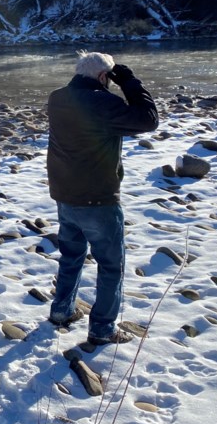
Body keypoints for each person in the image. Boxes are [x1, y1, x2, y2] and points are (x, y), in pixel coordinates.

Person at [45, 50, 159, 345]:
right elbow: (148, 120)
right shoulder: (103, 102)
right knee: (110, 265)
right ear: (102, 77)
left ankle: (61, 311)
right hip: (98, 199)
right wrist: (130, 82)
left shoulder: (57, 98)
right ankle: (102, 328)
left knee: (71, 256)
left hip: (64, 195)